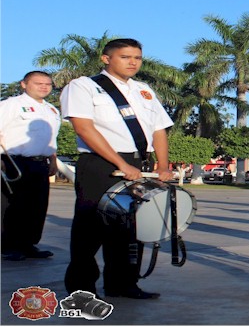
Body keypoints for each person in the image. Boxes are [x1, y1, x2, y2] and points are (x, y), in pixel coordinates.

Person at [61, 38, 173, 299]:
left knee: (130, 228)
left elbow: (159, 129)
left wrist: (163, 166)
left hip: (137, 164)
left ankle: (122, 283)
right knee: (91, 228)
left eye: (137, 57)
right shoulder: (84, 86)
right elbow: (84, 128)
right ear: (106, 58)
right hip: (101, 165)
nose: (133, 62)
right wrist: (120, 164)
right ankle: (81, 288)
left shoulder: (144, 90)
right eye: (125, 56)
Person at [0, 71, 61, 261]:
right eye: (38, 83)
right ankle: (8, 246)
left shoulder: (51, 110)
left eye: (48, 84)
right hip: (14, 161)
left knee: (37, 206)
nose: (44, 87)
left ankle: (28, 244)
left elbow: (50, 138)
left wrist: (53, 160)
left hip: (40, 162)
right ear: (24, 84)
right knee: (12, 206)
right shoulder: (12, 105)